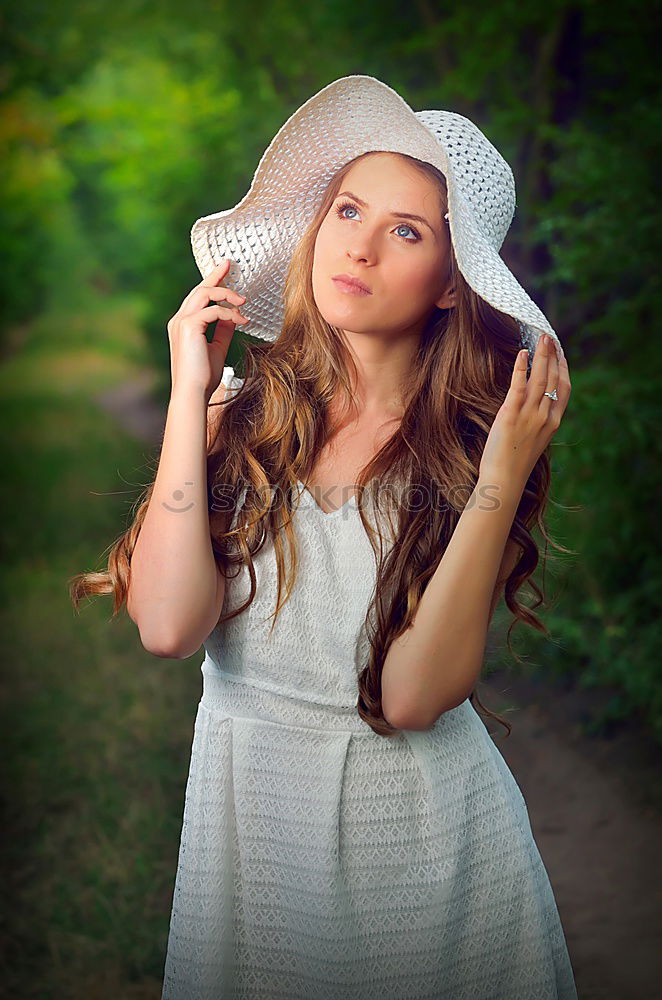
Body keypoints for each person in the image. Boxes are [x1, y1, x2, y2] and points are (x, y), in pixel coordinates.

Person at [70, 75, 577, 998]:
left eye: (407, 231)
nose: (359, 243)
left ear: (451, 290)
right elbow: (168, 627)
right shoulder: (238, 419)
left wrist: (503, 476)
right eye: (348, 208)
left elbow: (416, 696)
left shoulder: (475, 456)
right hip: (252, 825)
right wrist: (190, 396)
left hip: (427, 851)